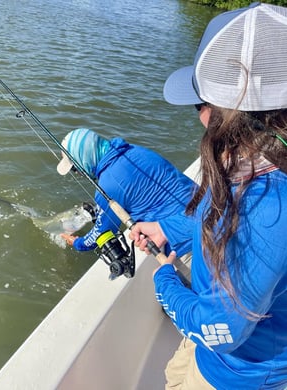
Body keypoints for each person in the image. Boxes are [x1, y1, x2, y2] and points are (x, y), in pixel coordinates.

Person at [129, 3, 287, 389]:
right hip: (209, 353)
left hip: (237, 376)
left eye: (202, 104)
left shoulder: (268, 206)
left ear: (232, 115)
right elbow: (219, 207)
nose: (198, 116)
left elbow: (222, 330)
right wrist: (167, 227)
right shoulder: (255, 160)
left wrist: (166, 282)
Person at [56, 128, 196, 252]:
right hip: (206, 210)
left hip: (184, 240)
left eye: (75, 168)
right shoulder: (135, 150)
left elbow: (101, 233)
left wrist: (77, 243)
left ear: (83, 159)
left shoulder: (107, 186)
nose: (78, 173)